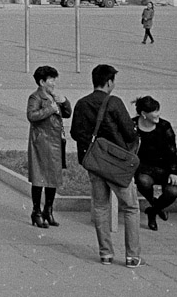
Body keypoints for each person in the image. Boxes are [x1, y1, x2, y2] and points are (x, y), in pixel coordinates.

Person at [70, 64, 141, 267]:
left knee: (100, 206)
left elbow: (76, 133)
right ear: (109, 82)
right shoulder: (114, 102)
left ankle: (106, 254)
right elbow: (129, 133)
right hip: (116, 166)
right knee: (131, 207)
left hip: (94, 163)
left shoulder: (82, 104)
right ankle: (132, 256)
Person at [26, 65, 72, 228]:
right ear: (41, 82)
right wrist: (49, 109)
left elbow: (67, 113)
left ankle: (48, 210)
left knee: (53, 177)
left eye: (54, 79)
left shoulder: (54, 96)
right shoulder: (36, 97)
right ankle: (36, 211)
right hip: (42, 141)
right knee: (39, 177)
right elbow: (31, 116)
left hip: (55, 142)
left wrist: (64, 101)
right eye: (51, 80)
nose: (54, 83)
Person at [133, 95, 177, 231]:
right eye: (155, 111)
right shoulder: (132, 125)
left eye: (158, 110)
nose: (159, 114)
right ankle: (155, 209)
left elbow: (172, 151)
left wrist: (174, 172)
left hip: (163, 167)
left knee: (173, 191)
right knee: (143, 182)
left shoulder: (164, 126)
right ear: (143, 114)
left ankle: (153, 210)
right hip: (143, 168)